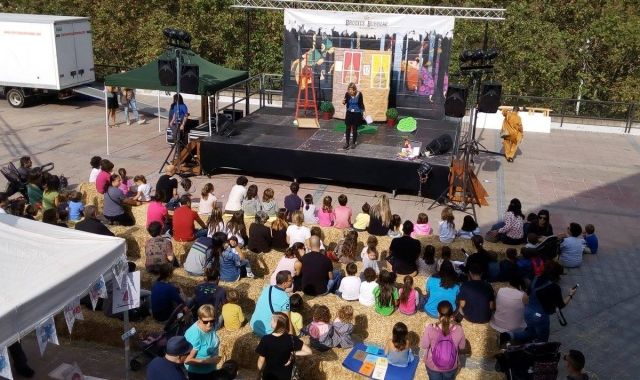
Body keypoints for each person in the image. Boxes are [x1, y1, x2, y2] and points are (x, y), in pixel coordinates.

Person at [510, 261, 577, 343]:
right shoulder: (554, 287)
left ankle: (509, 335)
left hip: (528, 312)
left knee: (530, 333)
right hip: (540, 317)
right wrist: (570, 295)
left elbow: (525, 298)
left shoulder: (535, 278)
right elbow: (561, 305)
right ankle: (535, 351)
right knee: (542, 340)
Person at [256, 312, 312, 380]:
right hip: (286, 375)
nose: (270, 321)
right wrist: (293, 353)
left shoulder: (266, 339)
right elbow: (309, 351)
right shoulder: (291, 338)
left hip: (269, 375)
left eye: (272, 320)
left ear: (277, 324)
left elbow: (261, 360)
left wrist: (258, 374)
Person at [420, 300, 467, 379]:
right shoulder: (459, 329)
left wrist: (425, 332)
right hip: (451, 365)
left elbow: (424, 345)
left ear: (438, 314)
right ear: (452, 314)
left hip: (432, 365)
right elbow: (462, 347)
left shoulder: (430, 328)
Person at [184, 304, 222, 379]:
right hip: (199, 374)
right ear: (199, 319)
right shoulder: (195, 335)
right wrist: (209, 361)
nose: (209, 324)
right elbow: (187, 360)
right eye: (206, 322)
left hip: (210, 369)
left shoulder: (210, 326)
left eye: (212, 321)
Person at [250, 270, 293, 337]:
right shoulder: (285, 298)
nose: (292, 281)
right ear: (284, 283)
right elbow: (287, 319)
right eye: (290, 280)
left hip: (253, 325)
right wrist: (291, 338)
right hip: (267, 333)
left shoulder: (267, 287)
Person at [342, 82, 365, 149]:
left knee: (354, 128)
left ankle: (354, 142)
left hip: (356, 113)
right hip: (349, 113)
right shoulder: (347, 94)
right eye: (349, 90)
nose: (350, 91)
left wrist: (363, 112)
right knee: (348, 128)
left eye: (351, 90)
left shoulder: (359, 94)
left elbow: (361, 104)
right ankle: (347, 143)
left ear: (355, 90)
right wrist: (343, 102)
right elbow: (344, 102)